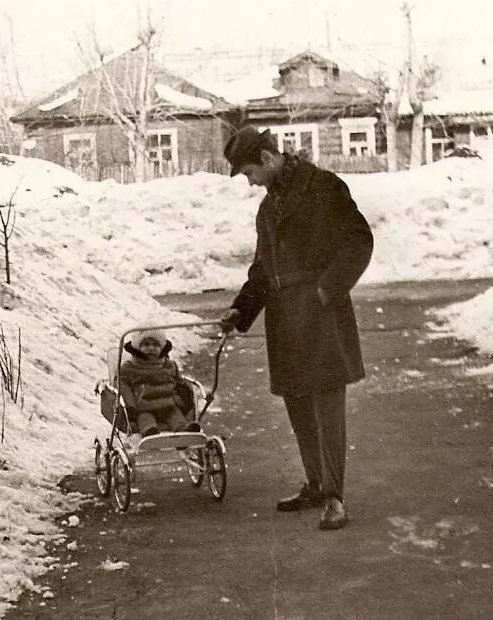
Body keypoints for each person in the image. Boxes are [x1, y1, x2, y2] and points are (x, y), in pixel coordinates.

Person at [220, 126, 373, 530]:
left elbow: (359, 241)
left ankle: (336, 498)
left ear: (269, 159)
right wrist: (241, 310)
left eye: (250, 172)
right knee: (298, 402)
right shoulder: (268, 209)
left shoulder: (324, 187)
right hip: (285, 319)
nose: (250, 182)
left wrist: (326, 290)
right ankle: (317, 484)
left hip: (321, 313)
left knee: (326, 406)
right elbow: (262, 269)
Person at [118, 326, 197, 437]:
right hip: (144, 406)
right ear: (137, 347)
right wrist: (130, 406)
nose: (151, 348)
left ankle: (183, 430)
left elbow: (179, 383)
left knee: (176, 416)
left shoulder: (169, 365)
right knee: (145, 419)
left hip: (168, 404)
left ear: (162, 347)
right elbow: (123, 386)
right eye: (146, 344)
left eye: (155, 345)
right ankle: (149, 432)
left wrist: (182, 399)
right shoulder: (130, 367)